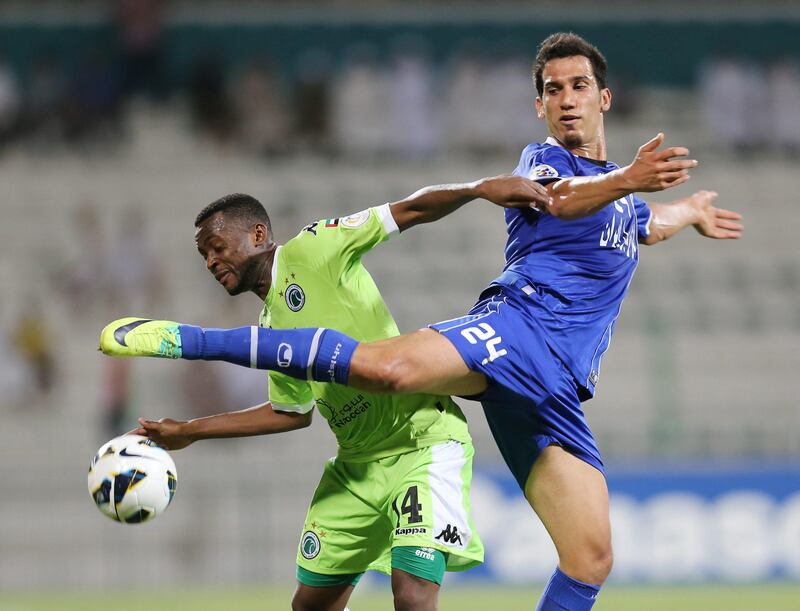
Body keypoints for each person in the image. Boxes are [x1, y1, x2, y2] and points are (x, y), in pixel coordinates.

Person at [101, 33, 743, 609]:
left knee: (591, 557)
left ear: (605, 97)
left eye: (579, 87)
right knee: (388, 370)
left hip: (560, 385)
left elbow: (639, 227)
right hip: (516, 330)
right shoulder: (545, 164)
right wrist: (631, 177)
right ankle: (187, 339)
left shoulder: (620, 201)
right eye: (553, 90)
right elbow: (565, 204)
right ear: (540, 107)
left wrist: (685, 213)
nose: (567, 100)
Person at [110, 176, 550, 611]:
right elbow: (291, 412)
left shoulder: (314, 247)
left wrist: (477, 190)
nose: (209, 261)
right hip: (356, 469)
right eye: (203, 254)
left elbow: (407, 210)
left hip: (422, 444)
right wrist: (191, 431)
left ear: (258, 235)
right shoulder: (269, 326)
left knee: (413, 596)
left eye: (216, 247)